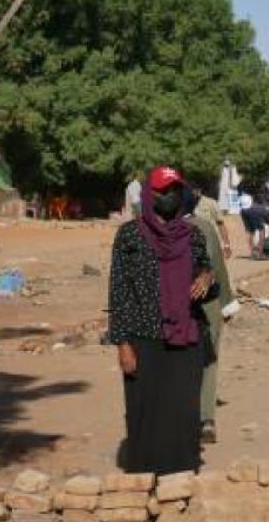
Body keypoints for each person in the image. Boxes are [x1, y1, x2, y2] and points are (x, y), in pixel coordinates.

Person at [107, 166, 214, 474]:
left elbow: (206, 269)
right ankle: (145, 475)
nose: (170, 197)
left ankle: (181, 475)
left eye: (174, 190)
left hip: (186, 336)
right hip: (143, 337)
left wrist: (206, 277)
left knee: (182, 410)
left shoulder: (192, 235)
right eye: (163, 191)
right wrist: (122, 343)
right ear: (149, 195)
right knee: (145, 410)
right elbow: (118, 290)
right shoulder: (129, 235)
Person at [184, 189, 236, 445]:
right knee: (209, 360)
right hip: (208, 303)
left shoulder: (156, 230)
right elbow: (218, 268)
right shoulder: (204, 227)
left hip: (173, 305)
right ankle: (206, 419)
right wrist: (228, 305)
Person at [192, 187, 233, 260]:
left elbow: (221, 224)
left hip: (210, 243)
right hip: (192, 245)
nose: (192, 192)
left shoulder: (211, 203)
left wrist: (226, 245)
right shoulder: (184, 205)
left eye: (193, 190)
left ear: (199, 190)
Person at [239, 196, 269, 260]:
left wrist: (258, 249)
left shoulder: (256, 210)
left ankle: (258, 252)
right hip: (258, 226)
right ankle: (258, 253)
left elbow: (259, 230)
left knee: (252, 232)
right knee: (259, 232)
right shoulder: (244, 212)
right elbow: (250, 231)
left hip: (263, 225)